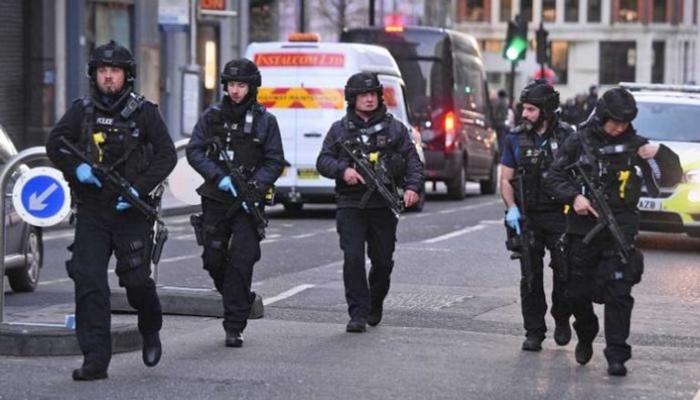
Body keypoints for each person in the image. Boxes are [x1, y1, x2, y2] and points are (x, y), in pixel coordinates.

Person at [46, 41, 177, 380]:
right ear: (94, 75)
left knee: (135, 282)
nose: (108, 76)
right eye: (102, 71)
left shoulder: (145, 112)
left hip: (131, 211)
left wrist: (138, 189)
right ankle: (95, 360)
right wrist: (77, 170)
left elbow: (166, 156)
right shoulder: (82, 111)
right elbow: (55, 144)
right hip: (92, 210)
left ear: (126, 75)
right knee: (88, 281)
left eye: (114, 71)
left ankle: (150, 327)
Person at [545, 87, 682, 376]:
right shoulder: (579, 141)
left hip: (620, 229)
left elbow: (670, 178)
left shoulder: (636, 145)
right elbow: (553, 177)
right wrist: (574, 197)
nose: (619, 128)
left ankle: (617, 355)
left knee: (619, 293)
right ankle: (586, 332)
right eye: (614, 122)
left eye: (624, 123)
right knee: (575, 292)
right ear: (603, 116)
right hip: (582, 231)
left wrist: (661, 153)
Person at [186, 58, 285, 348]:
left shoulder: (266, 121)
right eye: (231, 85)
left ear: (252, 87)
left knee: (242, 260)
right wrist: (218, 177)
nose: (236, 91)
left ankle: (234, 324)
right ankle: (240, 298)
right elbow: (195, 151)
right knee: (212, 259)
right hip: (216, 198)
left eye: (241, 85)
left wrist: (255, 185)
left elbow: (274, 160)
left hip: (248, 203)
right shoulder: (212, 116)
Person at [316, 72, 424, 333]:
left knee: (383, 262)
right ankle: (357, 313)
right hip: (350, 204)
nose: (368, 100)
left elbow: (413, 162)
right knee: (352, 258)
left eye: (372, 95)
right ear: (352, 99)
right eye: (363, 95)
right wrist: (343, 171)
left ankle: (375, 302)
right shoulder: (339, 129)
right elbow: (323, 161)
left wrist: (412, 188)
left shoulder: (394, 128)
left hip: (382, 206)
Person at [499, 80, 574, 352]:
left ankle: (562, 317)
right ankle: (534, 331)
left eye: (531, 109)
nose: (525, 114)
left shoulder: (568, 137)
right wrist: (512, 209)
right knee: (530, 275)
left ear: (547, 109)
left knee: (565, 273)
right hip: (528, 216)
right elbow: (506, 179)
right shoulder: (515, 138)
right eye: (524, 108)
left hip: (561, 216)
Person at [492, 89, 511, 153]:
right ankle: (501, 153)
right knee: (501, 139)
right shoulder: (505, 103)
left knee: (495, 139)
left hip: (496, 122)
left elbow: (494, 112)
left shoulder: (497, 102)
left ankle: (497, 152)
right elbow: (506, 113)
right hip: (502, 123)